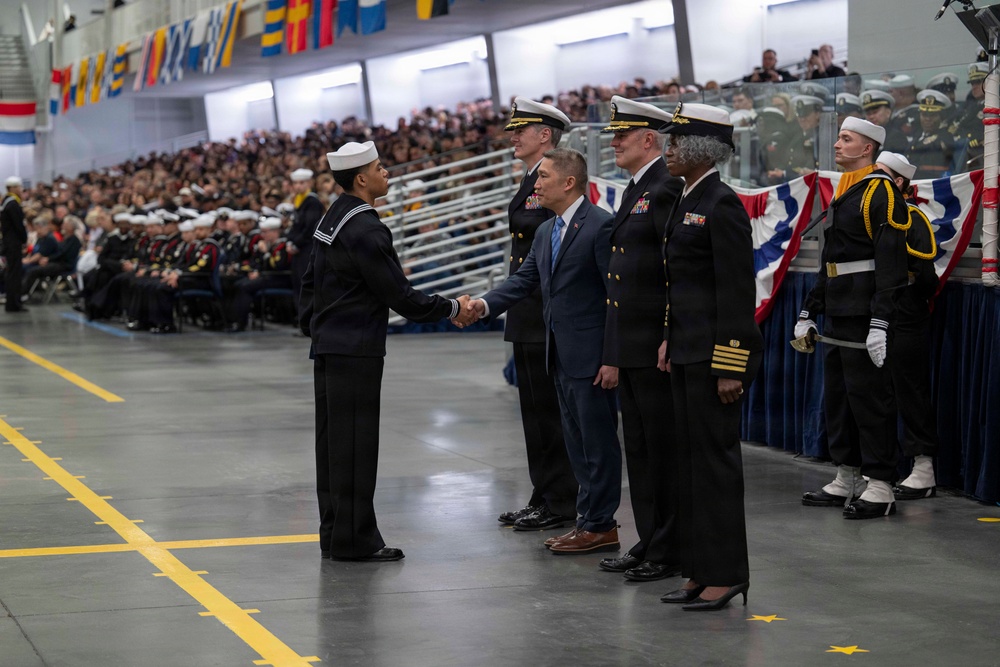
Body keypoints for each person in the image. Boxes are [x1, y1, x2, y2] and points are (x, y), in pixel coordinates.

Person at [300, 141, 468, 562]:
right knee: (356, 447)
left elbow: (308, 282)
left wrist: (315, 328)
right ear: (362, 179)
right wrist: (452, 308)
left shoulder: (334, 216)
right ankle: (355, 541)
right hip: (356, 348)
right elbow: (400, 295)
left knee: (332, 446)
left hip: (330, 345)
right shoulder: (367, 228)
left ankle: (334, 534)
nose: (386, 172)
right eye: (379, 168)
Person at [466, 148, 621, 555]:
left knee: (598, 445)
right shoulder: (546, 231)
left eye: (544, 177)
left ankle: (602, 524)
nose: (536, 183)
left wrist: (612, 357)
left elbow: (615, 298)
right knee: (576, 445)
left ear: (569, 182)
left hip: (592, 358)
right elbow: (523, 281)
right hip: (560, 355)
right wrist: (482, 304)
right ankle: (588, 521)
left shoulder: (600, 226)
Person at [655, 102, 763, 611]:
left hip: (713, 360)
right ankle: (698, 569)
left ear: (702, 147)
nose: (669, 149)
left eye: (677, 141)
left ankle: (727, 574)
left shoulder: (721, 204)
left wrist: (730, 366)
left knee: (715, 467)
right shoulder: (687, 197)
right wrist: (669, 339)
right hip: (686, 352)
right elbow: (681, 285)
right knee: (691, 466)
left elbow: (736, 292)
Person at [796, 117, 910, 520]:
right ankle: (847, 474)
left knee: (870, 399)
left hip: (864, 312)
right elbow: (832, 259)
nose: (837, 144)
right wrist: (809, 310)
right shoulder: (848, 189)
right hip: (839, 309)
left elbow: (891, 264)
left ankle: (880, 483)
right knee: (840, 398)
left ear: (867, 149)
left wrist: (881, 321)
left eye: (846, 139)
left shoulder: (881, 192)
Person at [597, 96, 684, 581]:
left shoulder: (666, 186)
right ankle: (650, 538)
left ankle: (669, 546)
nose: (614, 143)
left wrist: (669, 333)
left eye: (622, 135)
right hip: (631, 343)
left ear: (649, 139)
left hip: (653, 343)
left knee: (662, 452)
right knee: (641, 451)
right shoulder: (637, 188)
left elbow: (673, 271)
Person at [495, 97, 578, 532]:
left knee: (549, 412)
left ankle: (561, 500)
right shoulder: (531, 179)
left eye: (520, 130)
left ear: (545, 135)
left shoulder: (553, 181)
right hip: (524, 311)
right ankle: (543, 493)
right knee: (533, 413)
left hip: (543, 311)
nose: (513, 136)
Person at [874, 152, 940, 501]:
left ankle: (923, 467)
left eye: (881, 175)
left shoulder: (912, 217)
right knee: (878, 392)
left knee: (909, 388)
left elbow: (927, 277)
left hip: (905, 312)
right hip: (876, 311)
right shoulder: (873, 213)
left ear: (898, 182)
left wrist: (905, 293)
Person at [229, 217, 292, 332]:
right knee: (238, 284)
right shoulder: (268, 245)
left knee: (245, 287)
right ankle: (235, 319)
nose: (262, 235)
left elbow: (279, 266)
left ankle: (240, 323)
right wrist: (256, 271)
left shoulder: (282, 246)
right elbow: (257, 262)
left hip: (279, 278)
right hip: (267, 276)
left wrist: (266, 253)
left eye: (265, 232)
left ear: (275, 232)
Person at [285, 168, 326, 320]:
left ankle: (309, 319)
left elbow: (310, 228)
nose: (298, 186)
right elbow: (294, 226)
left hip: (307, 249)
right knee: (298, 284)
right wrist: (290, 241)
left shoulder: (312, 202)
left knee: (306, 285)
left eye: (301, 183)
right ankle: (302, 317)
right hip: (298, 249)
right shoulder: (299, 201)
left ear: (309, 183)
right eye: (295, 183)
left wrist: (295, 243)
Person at [907, 90, 954, 180]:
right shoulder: (918, 135)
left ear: (941, 117)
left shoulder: (944, 138)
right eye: (924, 114)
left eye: (933, 115)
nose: (927, 119)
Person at [1, 176, 29, 313]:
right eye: (18, 187)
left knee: (12, 273)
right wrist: (24, 239)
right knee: (14, 274)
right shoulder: (12, 204)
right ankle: (14, 304)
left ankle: (12, 302)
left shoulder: (6, 202)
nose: (20, 189)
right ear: (12, 188)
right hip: (13, 244)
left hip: (9, 243)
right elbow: (19, 225)